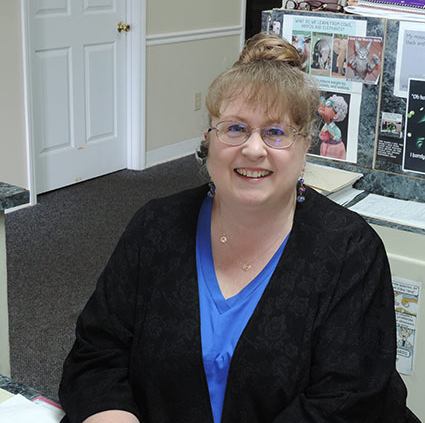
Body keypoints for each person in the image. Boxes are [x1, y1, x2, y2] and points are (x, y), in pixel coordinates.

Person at [59, 33, 419, 423]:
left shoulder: (350, 251)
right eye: (234, 129)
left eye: (275, 132)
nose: (252, 149)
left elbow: (348, 402)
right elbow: (97, 354)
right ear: (208, 139)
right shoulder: (155, 228)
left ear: (304, 146)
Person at [318, 94, 348, 160]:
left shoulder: (336, 129)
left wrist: (329, 132)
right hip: (324, 147)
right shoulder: (326, 125)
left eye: (329, 105)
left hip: (335, 149)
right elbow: (321, 135)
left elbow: (337, 138)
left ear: (335, 116)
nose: (325, 105)